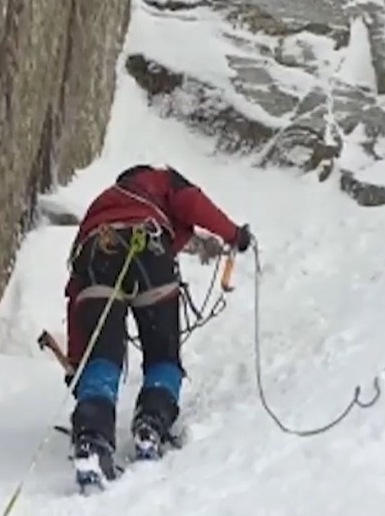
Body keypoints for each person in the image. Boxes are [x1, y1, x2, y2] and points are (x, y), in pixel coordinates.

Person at [63, 164, 252, 481]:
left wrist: (77, 364)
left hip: (97, 254)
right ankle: (151, 423)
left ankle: (93, 441)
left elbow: (76, 295)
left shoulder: (100, 206)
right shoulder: (159, 180)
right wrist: (234, 234)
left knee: (102, 356)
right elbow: (193, 203)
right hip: (150, 250)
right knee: (163, 354)